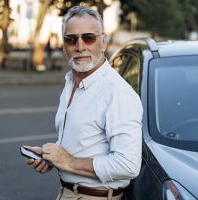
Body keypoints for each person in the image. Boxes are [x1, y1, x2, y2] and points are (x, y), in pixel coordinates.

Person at [24, 6, 143, 200]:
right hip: (68, 193)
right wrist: (52, 157)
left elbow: (128, 165)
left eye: (89, 38)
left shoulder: (117, 93)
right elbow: (84, 142)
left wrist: (69, 162)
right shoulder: (72, 81)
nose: (80, 46)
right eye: (71, 39)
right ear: (64, 45)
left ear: (103, 42)